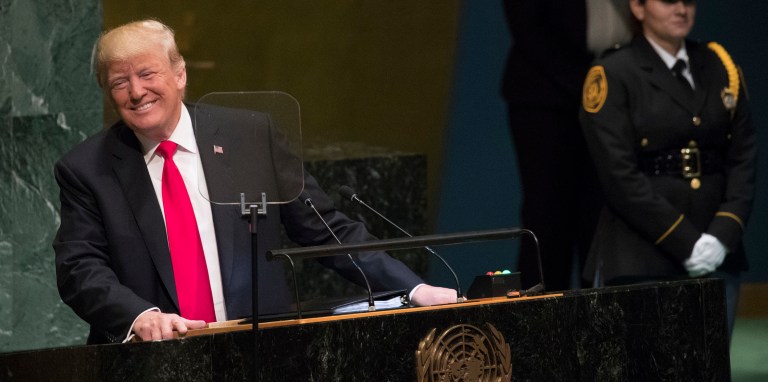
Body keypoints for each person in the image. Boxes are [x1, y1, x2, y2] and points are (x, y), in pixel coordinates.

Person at [52, 19, 457, 345]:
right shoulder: (87, 168)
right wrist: (139, 316)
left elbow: (325, 231)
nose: (136, 92)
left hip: (259, 357)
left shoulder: (248, 137)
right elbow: (79, 267)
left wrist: (412, 290)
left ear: (179, 75)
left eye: (146, 74)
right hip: (148, 368)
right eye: (120, 82)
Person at [579, 0, 756, 337]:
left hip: (717, 251)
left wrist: (723, 234)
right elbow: (619, 176)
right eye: (667, 1)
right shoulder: (614, 72)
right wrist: (686, 242)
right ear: (638, 7)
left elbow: (743, 153)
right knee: (648, 380)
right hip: (643, 255)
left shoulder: (719, 65)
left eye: (688, 1)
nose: (681, 9)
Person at [501, 0, 632, 291]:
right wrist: (591, 85)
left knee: (602, 218)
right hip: (547, 96)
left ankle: (597, 321)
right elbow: (529, 27)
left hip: (617, 95)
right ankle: (542, 322)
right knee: (547, 218)